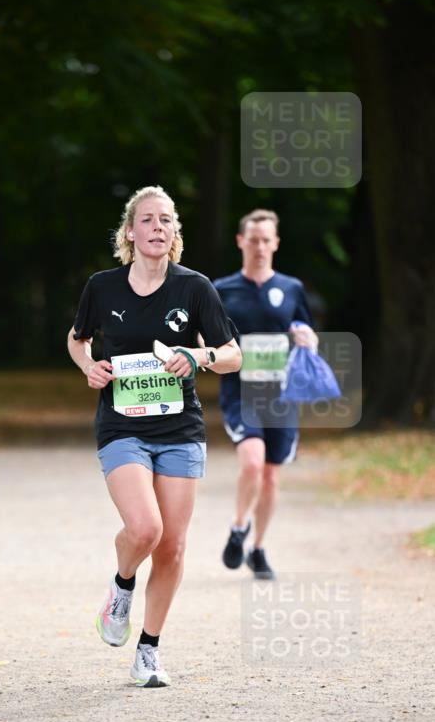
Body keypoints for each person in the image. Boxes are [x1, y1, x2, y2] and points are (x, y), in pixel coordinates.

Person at [67, 186, 241, 688]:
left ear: (174, 232)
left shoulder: (195, 289)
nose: (158, 228)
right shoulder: (103, 287)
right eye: (148, 220)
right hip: (122, 425)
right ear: (130, 231)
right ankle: (122, 587)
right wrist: (88, 367)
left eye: (166, 220)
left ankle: (148, 650)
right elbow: (77, 339)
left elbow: (233, 353)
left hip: (180, 428)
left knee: (173, 547)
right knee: (146, 530)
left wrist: (199, 356)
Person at [214, 209, 318, 580]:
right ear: (241, 241)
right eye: (253, 239)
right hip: (240, 392)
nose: (259, 246)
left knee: (271, 476)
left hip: (282, 394)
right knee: (253, 463)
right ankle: (238, 525)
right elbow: (205, 336)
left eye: (266, 240)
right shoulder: (221, 289)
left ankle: (257, 548)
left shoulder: (291, 288)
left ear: (276, 243)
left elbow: (305, 329)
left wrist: (308, 338)